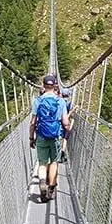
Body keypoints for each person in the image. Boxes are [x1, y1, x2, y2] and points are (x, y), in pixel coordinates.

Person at [30, 73, 70, 202]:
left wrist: (31, 138)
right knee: (54, 162)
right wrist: (68, 130)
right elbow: (65, 122)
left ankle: (42, 181)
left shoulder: (38, 101)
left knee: (42, 163)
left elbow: (33, 122)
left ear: (43, 85)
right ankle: (51, 189)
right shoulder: (61, 101)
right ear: (55, 86)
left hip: (41, 135)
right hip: (56, 136)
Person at [59, 85, 74, 163]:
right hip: (66, 122)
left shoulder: (59, 102)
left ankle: (58, 153)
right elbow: (70, 115)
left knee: (59, 137)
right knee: (65, 138)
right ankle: (62, 153)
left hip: (59, 122)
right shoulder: (69, 104)